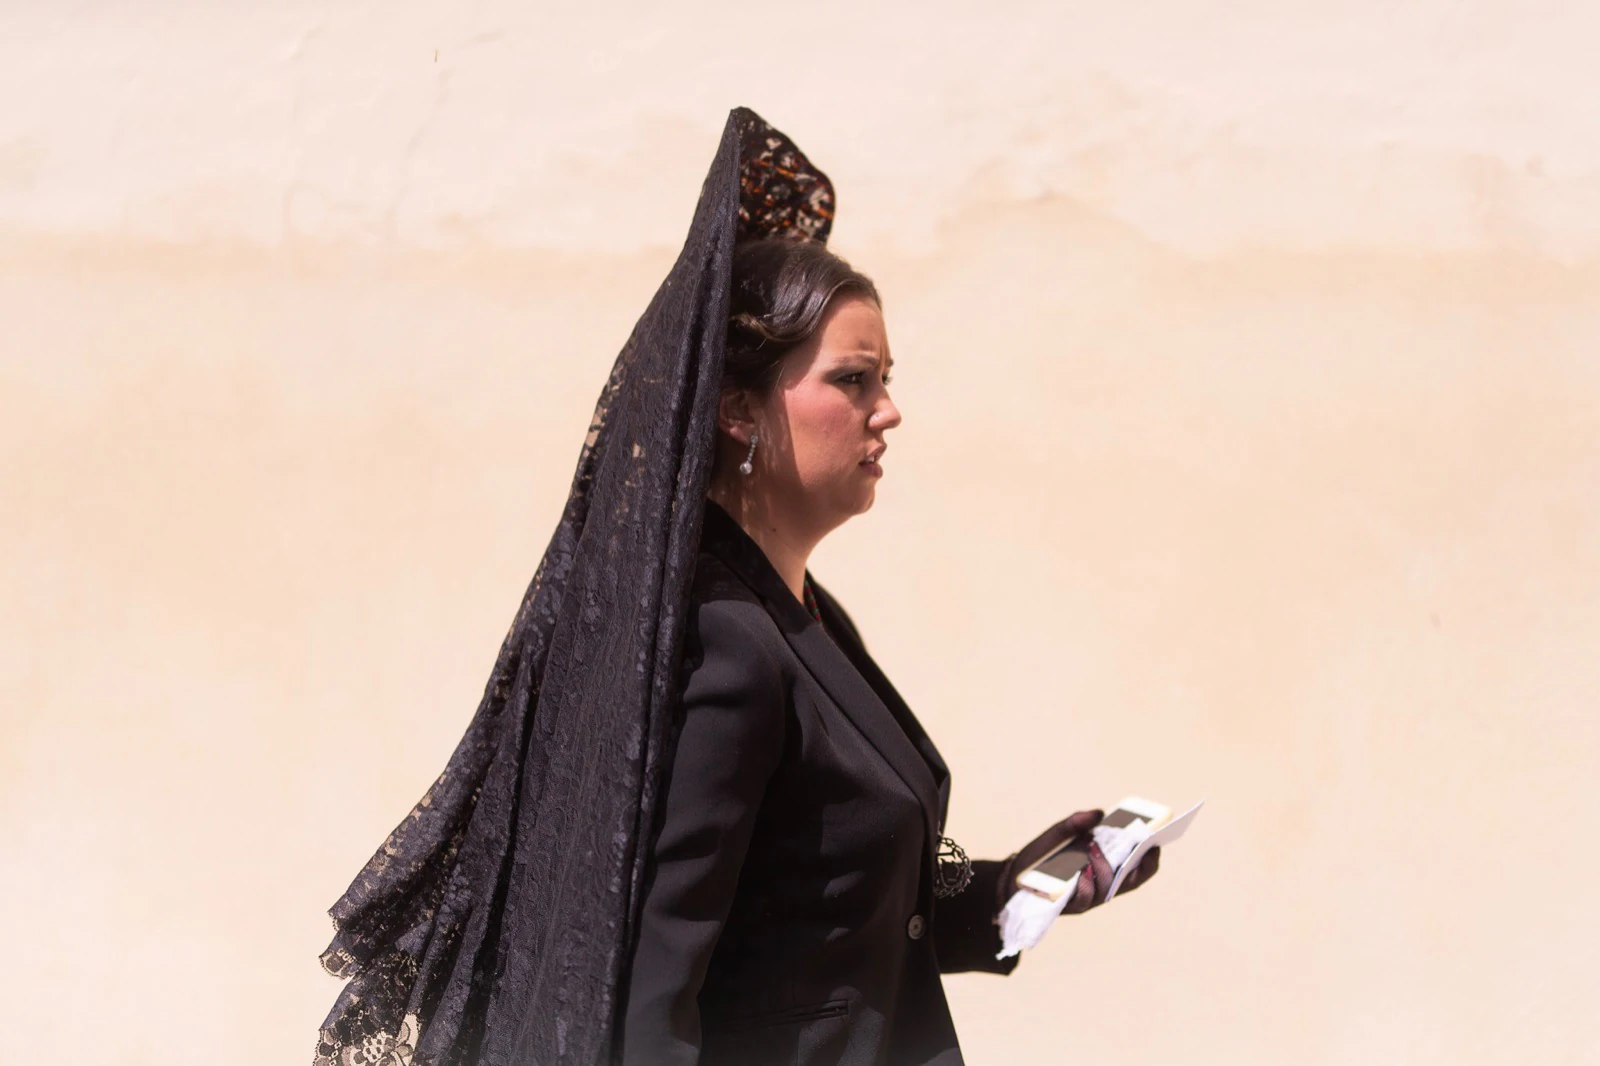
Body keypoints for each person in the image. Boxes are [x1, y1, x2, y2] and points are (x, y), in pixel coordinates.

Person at [314, 108, 1158, 1066]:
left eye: (884, 378)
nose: (888, 411)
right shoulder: (723, 645)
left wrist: (1021, 889)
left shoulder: (802, 617)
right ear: (736, 413)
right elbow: (644, 998)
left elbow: (826, 930)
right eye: (853, 380)